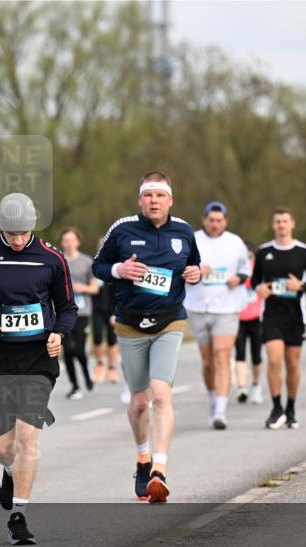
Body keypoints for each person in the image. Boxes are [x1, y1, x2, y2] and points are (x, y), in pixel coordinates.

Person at [0, 193, 77, 545]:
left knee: (27, 436)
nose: (19, 240)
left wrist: (59, 333)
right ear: (1, 229)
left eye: (25, 233)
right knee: (3, 448)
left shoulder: (52, 258)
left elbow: (68, 306)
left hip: (39, 358)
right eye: (12, 234)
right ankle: (8, 471)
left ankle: (19, 515)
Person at [93, 172, 202, 503]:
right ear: (140, 199)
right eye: (148, 195)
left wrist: (196, 274)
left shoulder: (183, 232)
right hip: (130, 324)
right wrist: (118, 270)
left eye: (160, 195)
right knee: (139, 402)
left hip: (169, 322)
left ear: (170, 199)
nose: (154, 201)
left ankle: (159, 470)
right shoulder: (122, 229)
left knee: (160, 396)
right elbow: (99, 267)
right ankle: (142, 459)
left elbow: (194, 266)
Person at [251, 207, 306, 429]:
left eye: (285, 221)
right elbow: (255, 281)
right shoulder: (263, 252)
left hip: (295, 316)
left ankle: (291, 407)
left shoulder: (304, 252)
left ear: (292, 224)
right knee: (273, 360)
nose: (281, 225)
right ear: (273, 225)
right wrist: (259, 288)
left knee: (292, 363)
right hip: (271, 314)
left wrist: (301, 285)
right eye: (277, 221)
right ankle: (276, 408)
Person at [183, 201, 251, 430]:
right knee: (208, 361)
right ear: (204, 220)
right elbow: (179, 270)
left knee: (222, 356)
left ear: (225, 222)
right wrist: (196, 271)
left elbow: (246, 269)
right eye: (211, 220)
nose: (215, 224)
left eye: (219, 220)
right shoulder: (192, 240)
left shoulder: (235, 242)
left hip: (227, 307)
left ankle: (221, 410)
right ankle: (213, 398)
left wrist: (238, 279)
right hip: (199, 306)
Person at [60, 227, 98, 399]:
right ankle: (75, 386)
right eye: (65, 240)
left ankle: (86, 375)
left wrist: (82, 288)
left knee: (80, 350)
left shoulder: (86, 261)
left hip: (82, 311)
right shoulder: (58, 261)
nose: (68, 243)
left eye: (71, 240)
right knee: (67, 350)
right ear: (62, 242)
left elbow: (95, 288)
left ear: (78, 241)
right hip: (63, 312)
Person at [235, 244, 264, 405]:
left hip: (256, 319)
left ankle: (256, 386)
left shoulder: (260, 272)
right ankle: (241, 388)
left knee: (257, 356)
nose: (248, 260)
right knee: (240, 354)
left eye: (250, 257)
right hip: (239, 318)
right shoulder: (238, 272)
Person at [91, 275, 120, 385]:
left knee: (112, 339)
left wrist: (117, 312)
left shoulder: (116, 267)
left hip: (113, 308)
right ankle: (99, 365)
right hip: (97, 308)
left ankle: (112, 368)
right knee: (97, 337)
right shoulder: (96, 267)